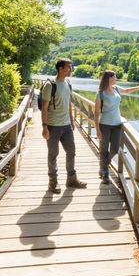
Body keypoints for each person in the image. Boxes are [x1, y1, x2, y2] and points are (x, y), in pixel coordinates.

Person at [94, 70, 139, 184]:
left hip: (117, 125)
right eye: (114, 77)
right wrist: (97, 129)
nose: (116, 79)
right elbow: (96, 113)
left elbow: (128, 90)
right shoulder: (100, 93)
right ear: (108, 78)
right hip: (104, 125)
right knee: (104, 150)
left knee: (115, 148)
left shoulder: (116, 89)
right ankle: (105, 173)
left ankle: (103, 165)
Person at [41, 58, 87, 194]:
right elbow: (44, 108)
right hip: (53, 126)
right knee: (53, 155)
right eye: (69, 67)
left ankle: (71, 180)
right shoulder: (50, 85)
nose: (71, 69)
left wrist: (72, 121)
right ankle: (52, 182)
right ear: (60, 69)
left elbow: (69, 103)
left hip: (66, 126)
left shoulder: (67, 83)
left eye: (71, 67)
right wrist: (44, 127)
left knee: (71, 152)